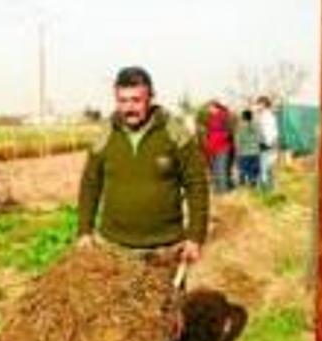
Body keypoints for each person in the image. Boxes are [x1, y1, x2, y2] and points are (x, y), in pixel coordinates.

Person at [77, 66, 210, 271]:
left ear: (150, 98)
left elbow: (197, 184)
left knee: (168, 303)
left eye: (136, 100)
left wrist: (196, 236)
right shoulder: (105, 133)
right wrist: (85, 231)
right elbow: (90, 183)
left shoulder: (173, 132)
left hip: (166, 249)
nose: (129, 108)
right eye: (122, 100)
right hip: (115, 247)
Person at [203, 100, 235, 193]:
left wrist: (222, 138)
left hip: (223, 148)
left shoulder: (224, 116)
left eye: (210, 108)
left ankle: (224, 192)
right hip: (213, 149)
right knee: (216, 171)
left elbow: (229, 131)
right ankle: (217, 191)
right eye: (208, 108)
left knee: (222, 170)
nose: (209, 110)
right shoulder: (211, 118)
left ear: (215, 107)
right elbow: (209, 133)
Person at [254, 95, 279, 192]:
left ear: (263, 104)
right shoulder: (263, 115)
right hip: (265, 143)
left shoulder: (267, 116)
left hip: (268, 144)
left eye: (259, 104)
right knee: (266, 167)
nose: (257, 106)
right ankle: (267, 189)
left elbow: (270, 131)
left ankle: (266, 190)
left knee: (266, 167)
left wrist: (270, 142)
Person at [234, 109, 262, 187]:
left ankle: (243, 182)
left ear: (242, 117)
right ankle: (252, 183)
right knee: (253, 170)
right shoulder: (256, 126)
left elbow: (237, 141)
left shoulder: (240, 127)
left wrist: (237, 152)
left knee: (243, 169)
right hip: (255, 152)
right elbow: (259, 138)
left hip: (243, 152)